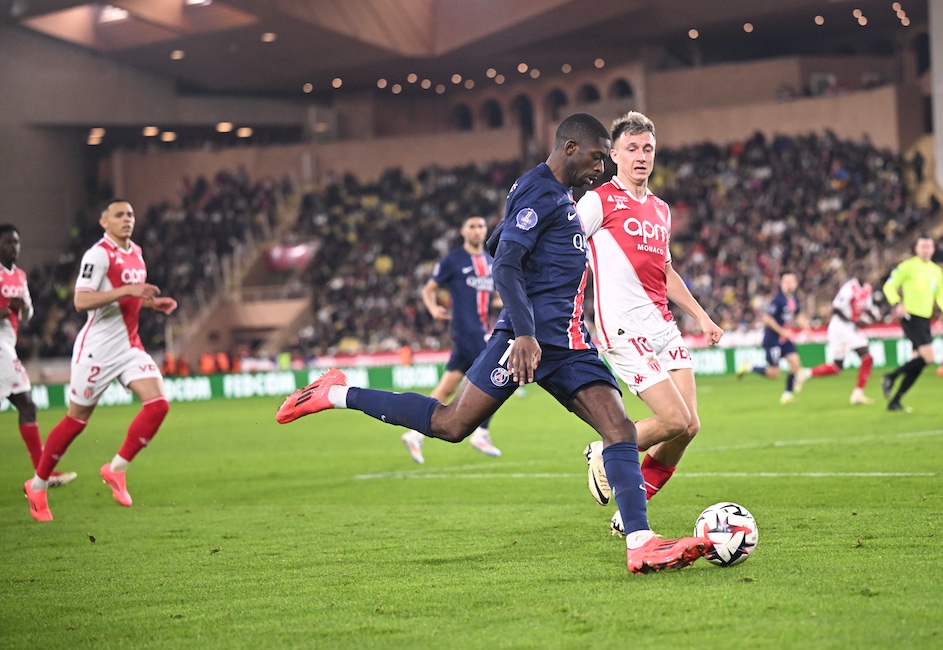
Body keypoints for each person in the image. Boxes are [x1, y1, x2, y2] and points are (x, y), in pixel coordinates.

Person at [276, 113, 710, 574]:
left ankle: (641, 544)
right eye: (597, 157)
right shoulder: (539, 189)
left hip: (568, 345)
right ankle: (336, 393)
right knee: (451, 424)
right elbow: (504, 264)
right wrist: (523, 333)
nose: (601, 168)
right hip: (525, 340)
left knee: (619, 430)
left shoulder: (561, 197)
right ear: (569, 148)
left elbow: (502, 244)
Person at [574, 111, 724, 528]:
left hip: (662, 325)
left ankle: (628, 509)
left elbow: (667, 272)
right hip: (621, 326)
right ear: (614, 155)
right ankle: (607, 449)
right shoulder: (598, 200)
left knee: (689, 426)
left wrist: (701, 317)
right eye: (632, 149)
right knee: (672, 419)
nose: (641, 156)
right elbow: (568, 247)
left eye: (648, 149)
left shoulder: (661, 209)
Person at [23, 199, 178, 522]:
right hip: (96, 350)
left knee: (159, 404)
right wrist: (128, 291)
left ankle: (116, 469)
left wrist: (151, 304)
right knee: (76, 421)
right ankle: (37, 485)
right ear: (104, 222)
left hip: (129, 346)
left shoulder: (135, 252)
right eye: (119, 215)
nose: (127, 219)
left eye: (131, 214)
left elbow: (129, 298)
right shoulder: (97, 254)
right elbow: (81, 300)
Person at [401, 215, 501, 463]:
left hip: (478, 329)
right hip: (465, 329)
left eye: (481, 226)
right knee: (495, 374)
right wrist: (433, 308)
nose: (477, 230)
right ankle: (481, 432)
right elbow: (428, 290)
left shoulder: (489, 261)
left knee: (446, 388)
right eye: (472, 226)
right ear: (462, 231)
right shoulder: (453, 260)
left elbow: (493, 298)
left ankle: (414, 434)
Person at [1, 225, 76, 487]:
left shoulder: (19, 276)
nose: (14, 247)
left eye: (17, 242)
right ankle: (43, 473)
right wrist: (6, 308)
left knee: (26, 404)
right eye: (8, 242)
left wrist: (21, 310)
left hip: (7, 343)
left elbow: (28, 312)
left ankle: (42, 473)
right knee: (26, 403)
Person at [880, 236, 943, 412]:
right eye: (922, 246)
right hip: (911, 317)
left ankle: (895, 401)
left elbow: (940, 294)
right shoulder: (907, 266)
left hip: (925, 319)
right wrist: (897, 303)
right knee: (929, 357)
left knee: (918, 362)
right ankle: (891, 376)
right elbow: (889, 286)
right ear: (916, 248)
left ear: (933, 249)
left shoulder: (936, 271)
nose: (926, 249)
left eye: (929, 246)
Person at [796, 275, 881, 405]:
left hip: (850, 328)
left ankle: (857, 394)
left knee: (864, 359)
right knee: (839, 366)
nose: (863, 273)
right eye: (859, 271)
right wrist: (855, 321)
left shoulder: (867, 288)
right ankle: (806, 373)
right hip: (840, 328)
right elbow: (836, 309)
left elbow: (867, 307)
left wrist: (874, 315)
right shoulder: (849, 288)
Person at [738, 272, 807, 405]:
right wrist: (782, 331)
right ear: (782, 283)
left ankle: (787, 395)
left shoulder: (793, 299)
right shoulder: (778, 300)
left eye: (792, 281)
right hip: (773, 339)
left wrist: (807, 329)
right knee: (775, 373)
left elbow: (797, 314)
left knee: (795, 364)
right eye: (786, 281)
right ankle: (749, 367)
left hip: (784, 340)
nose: (789, 283)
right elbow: (767, 318)